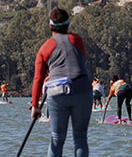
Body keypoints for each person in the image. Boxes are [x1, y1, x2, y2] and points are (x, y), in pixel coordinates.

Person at [31, 8, 92, 157]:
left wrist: (35, 106)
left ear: (50, 26)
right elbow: (82, 60)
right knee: (80, 137)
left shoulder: (44, 48)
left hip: (58, 93)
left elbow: (38, 79)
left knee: (57, 139)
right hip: (82, 90)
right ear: (68, 24)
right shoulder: (77, 40)